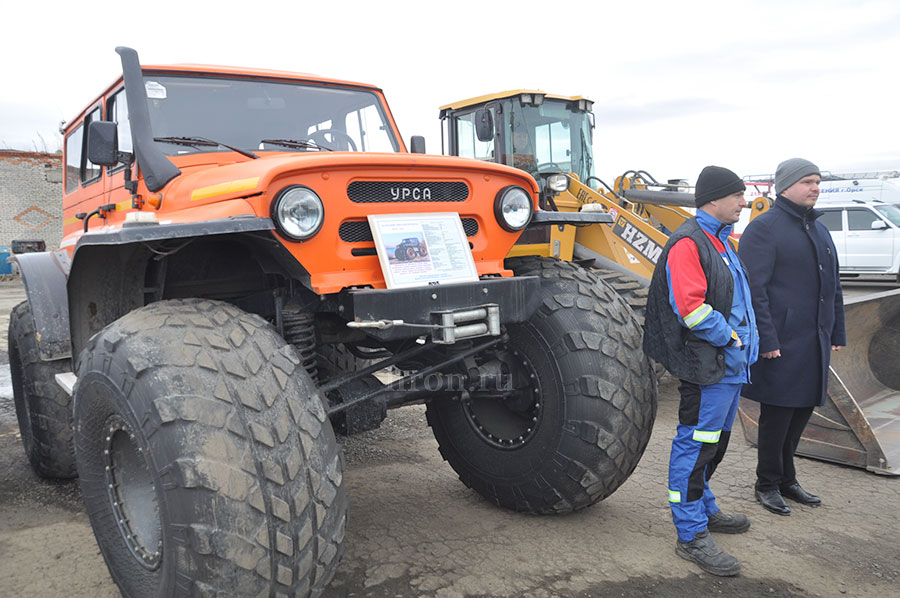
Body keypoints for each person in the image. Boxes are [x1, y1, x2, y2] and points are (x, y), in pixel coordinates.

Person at [644, 165, 760, 577]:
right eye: (738, 196)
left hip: (728, 369)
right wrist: (730, 339)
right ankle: (690, 534)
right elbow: (692, 309)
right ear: (713, 198)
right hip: (709, 366)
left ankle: (705, 508)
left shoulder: (721, 241)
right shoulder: (689, 244)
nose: (744, 204)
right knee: (694, 448)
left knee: (714, 446)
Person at [738, 158, 846, 516]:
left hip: (813, 340)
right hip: (782, 343)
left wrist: (836, 329)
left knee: (801, 411)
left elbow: (833, 286)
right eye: (807, 182)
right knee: (778, 415)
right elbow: (755, 291)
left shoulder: (819, 230)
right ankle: (766, 483)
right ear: (785, 186)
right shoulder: (764, 228)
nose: (815, 188)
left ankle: (787, 479)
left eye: (817, 182)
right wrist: (766, 340)